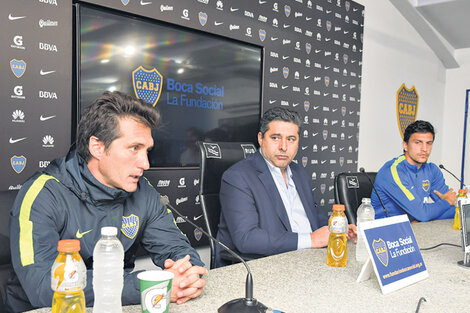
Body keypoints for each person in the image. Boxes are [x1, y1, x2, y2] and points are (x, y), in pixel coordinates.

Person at [7, 91, 207, 312]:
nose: (146, 164)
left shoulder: (144, 192)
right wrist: (149, 284)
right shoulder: (41, 195)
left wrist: (188, 274)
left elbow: (177, 250)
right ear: (98, 147)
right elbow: (43, 286)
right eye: (134, 148)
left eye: (147, 150)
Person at [216, 107, 357, 267]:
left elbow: (316, 218)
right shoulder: (238, 176)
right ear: (261, 138)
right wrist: (311, 240)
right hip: (265, 267)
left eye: (291, 139)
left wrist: (337, 230)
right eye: (276, 138)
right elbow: (247, 239)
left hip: (308, 260)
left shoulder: (299, 173)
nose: (283, 146)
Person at [371, 120, 456, 221]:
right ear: (405, 145)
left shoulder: (432, 170)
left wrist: (421, 218)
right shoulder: (392, 171)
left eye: (429, 143)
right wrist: (446, 202)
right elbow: (424, 214)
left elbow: (454, 210)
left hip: (416, 229)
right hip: (386, 233)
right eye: (418, 143)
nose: (424, 149)